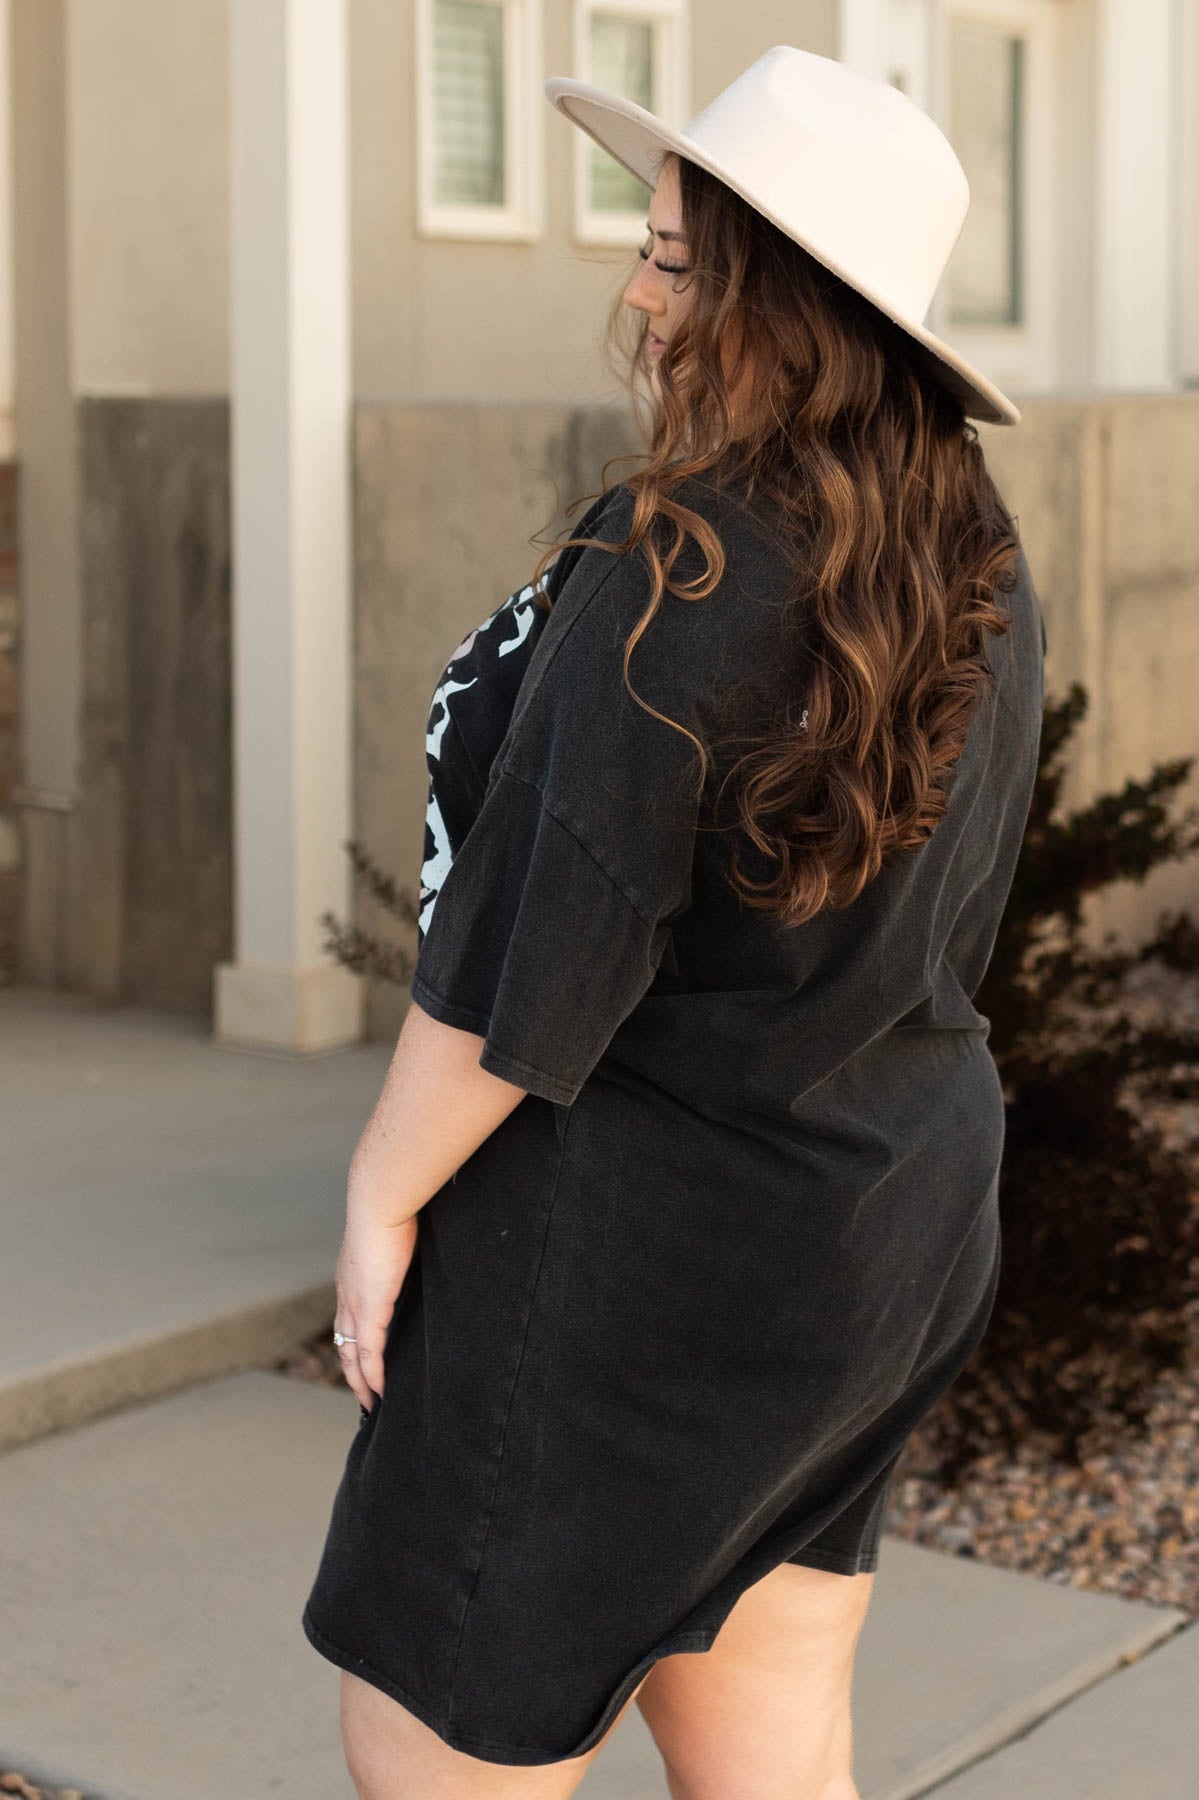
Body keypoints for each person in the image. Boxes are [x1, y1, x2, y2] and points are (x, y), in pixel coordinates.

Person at [301, 45, 1047, 1800]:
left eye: (674, 257)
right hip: (874, 1229)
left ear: (779, 300)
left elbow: (534, 965)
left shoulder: (681, 565)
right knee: (771, 1730)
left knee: (431, 1739)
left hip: (634, 1255)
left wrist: (379, 1193)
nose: (636, 292)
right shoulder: (973, 546)